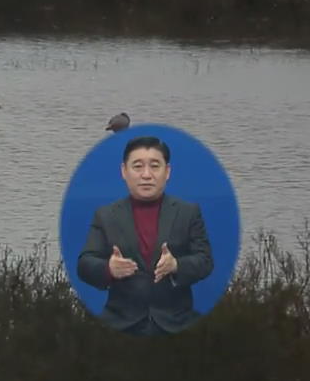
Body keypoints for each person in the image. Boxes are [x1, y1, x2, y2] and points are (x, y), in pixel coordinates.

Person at [76, 135, 214, 336]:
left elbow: (205, 261)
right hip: (119, 323)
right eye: (138, 166)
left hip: (177, 322)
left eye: (155, 166)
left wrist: (176, 265)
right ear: (124, 171)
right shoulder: (105, 215)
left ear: (167, 172)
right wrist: (109, 269)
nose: (146, 175)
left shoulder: (188, 212)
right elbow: (85, 264)